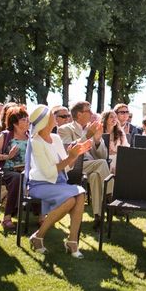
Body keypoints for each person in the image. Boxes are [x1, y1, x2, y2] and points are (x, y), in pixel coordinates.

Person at [26, 105, 91, 258]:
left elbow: (67, 167)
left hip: (58, 183)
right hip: (39, 185)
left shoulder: (55, 138)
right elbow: (49, 172)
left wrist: (75, 154)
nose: (54, 118)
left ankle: (72, 241)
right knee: (70, 200)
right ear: (43, 121)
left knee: (80, 195)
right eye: (50, 116)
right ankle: (38, 236)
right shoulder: (36, 142)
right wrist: (70, 157)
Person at [58, 101, 112, 231]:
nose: (92, 113)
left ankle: (98, 217)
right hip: (73, 165)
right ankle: (111, 194)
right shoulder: (64, 129)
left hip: (92, 165)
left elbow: (103, 155)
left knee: (94, 176)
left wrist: (98, 140)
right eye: (88, 111)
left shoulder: (91, 128)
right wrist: (87, 136)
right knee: (102, 164)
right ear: (79, 114)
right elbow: (68, 150)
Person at [0, 106, 29, 231]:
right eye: (24, 119)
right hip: (7, 171)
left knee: (39, 177)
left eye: (27, 118)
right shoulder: (6, 135)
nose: (28, 121)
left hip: (27, 171)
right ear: (15, 123)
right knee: (17, 178)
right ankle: (7, 217)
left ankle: (41, 216)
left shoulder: (31, 137)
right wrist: (7, 156)